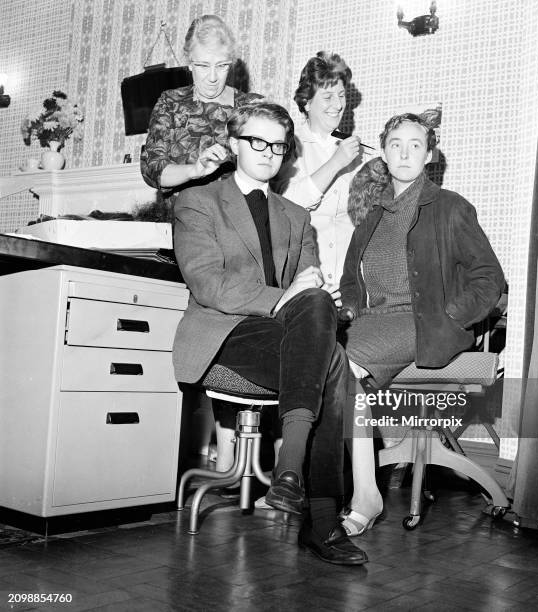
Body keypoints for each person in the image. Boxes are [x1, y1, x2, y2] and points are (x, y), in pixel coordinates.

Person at [173, 101, 368, 565]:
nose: (268, 153)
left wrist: (316, 292)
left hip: (285, 339)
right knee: (332, 362)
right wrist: (287, 297)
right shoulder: (197, 202)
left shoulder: (296, 216)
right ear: (235, 143)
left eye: (278, 146)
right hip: (224, 336)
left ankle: (289, 476)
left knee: (322, 319)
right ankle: (320, 521)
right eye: (257, 142)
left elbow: (307, 288)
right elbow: (209, 284)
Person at [338, 113, 505, 536]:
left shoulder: (450, 207)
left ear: (429, 155)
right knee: (319, 357)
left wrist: (448, 316)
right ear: (384, 153)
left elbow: (489, 279)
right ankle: (349, 489)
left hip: (420, 323)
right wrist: (351, 311)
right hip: (373, 323)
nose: (406, 152)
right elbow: (349, 282)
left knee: (343, 365)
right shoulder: (372, 215)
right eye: (396, 144)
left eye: (416, 144)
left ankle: (362, 495)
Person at [140, 15, 261, 476]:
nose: (212, 77)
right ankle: (218, 451)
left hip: (242, 225)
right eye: (202, 66)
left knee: (242, 328)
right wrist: (195, 168)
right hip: (192, 222)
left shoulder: (249, 106)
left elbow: (269, 165)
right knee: (212, 325)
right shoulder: (171, 103)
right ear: (188, 63)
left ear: (231, 63)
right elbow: (154, 170)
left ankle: (235, 454)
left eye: (221, 66)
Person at [273, 51, 371, 289]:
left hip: (351, 283)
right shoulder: (288, 145)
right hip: (306, 280)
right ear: (306, 102)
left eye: (341, 95)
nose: (338, 105)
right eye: (328, 97)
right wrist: (335, 163)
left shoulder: (359, 151)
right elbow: (285, 203)